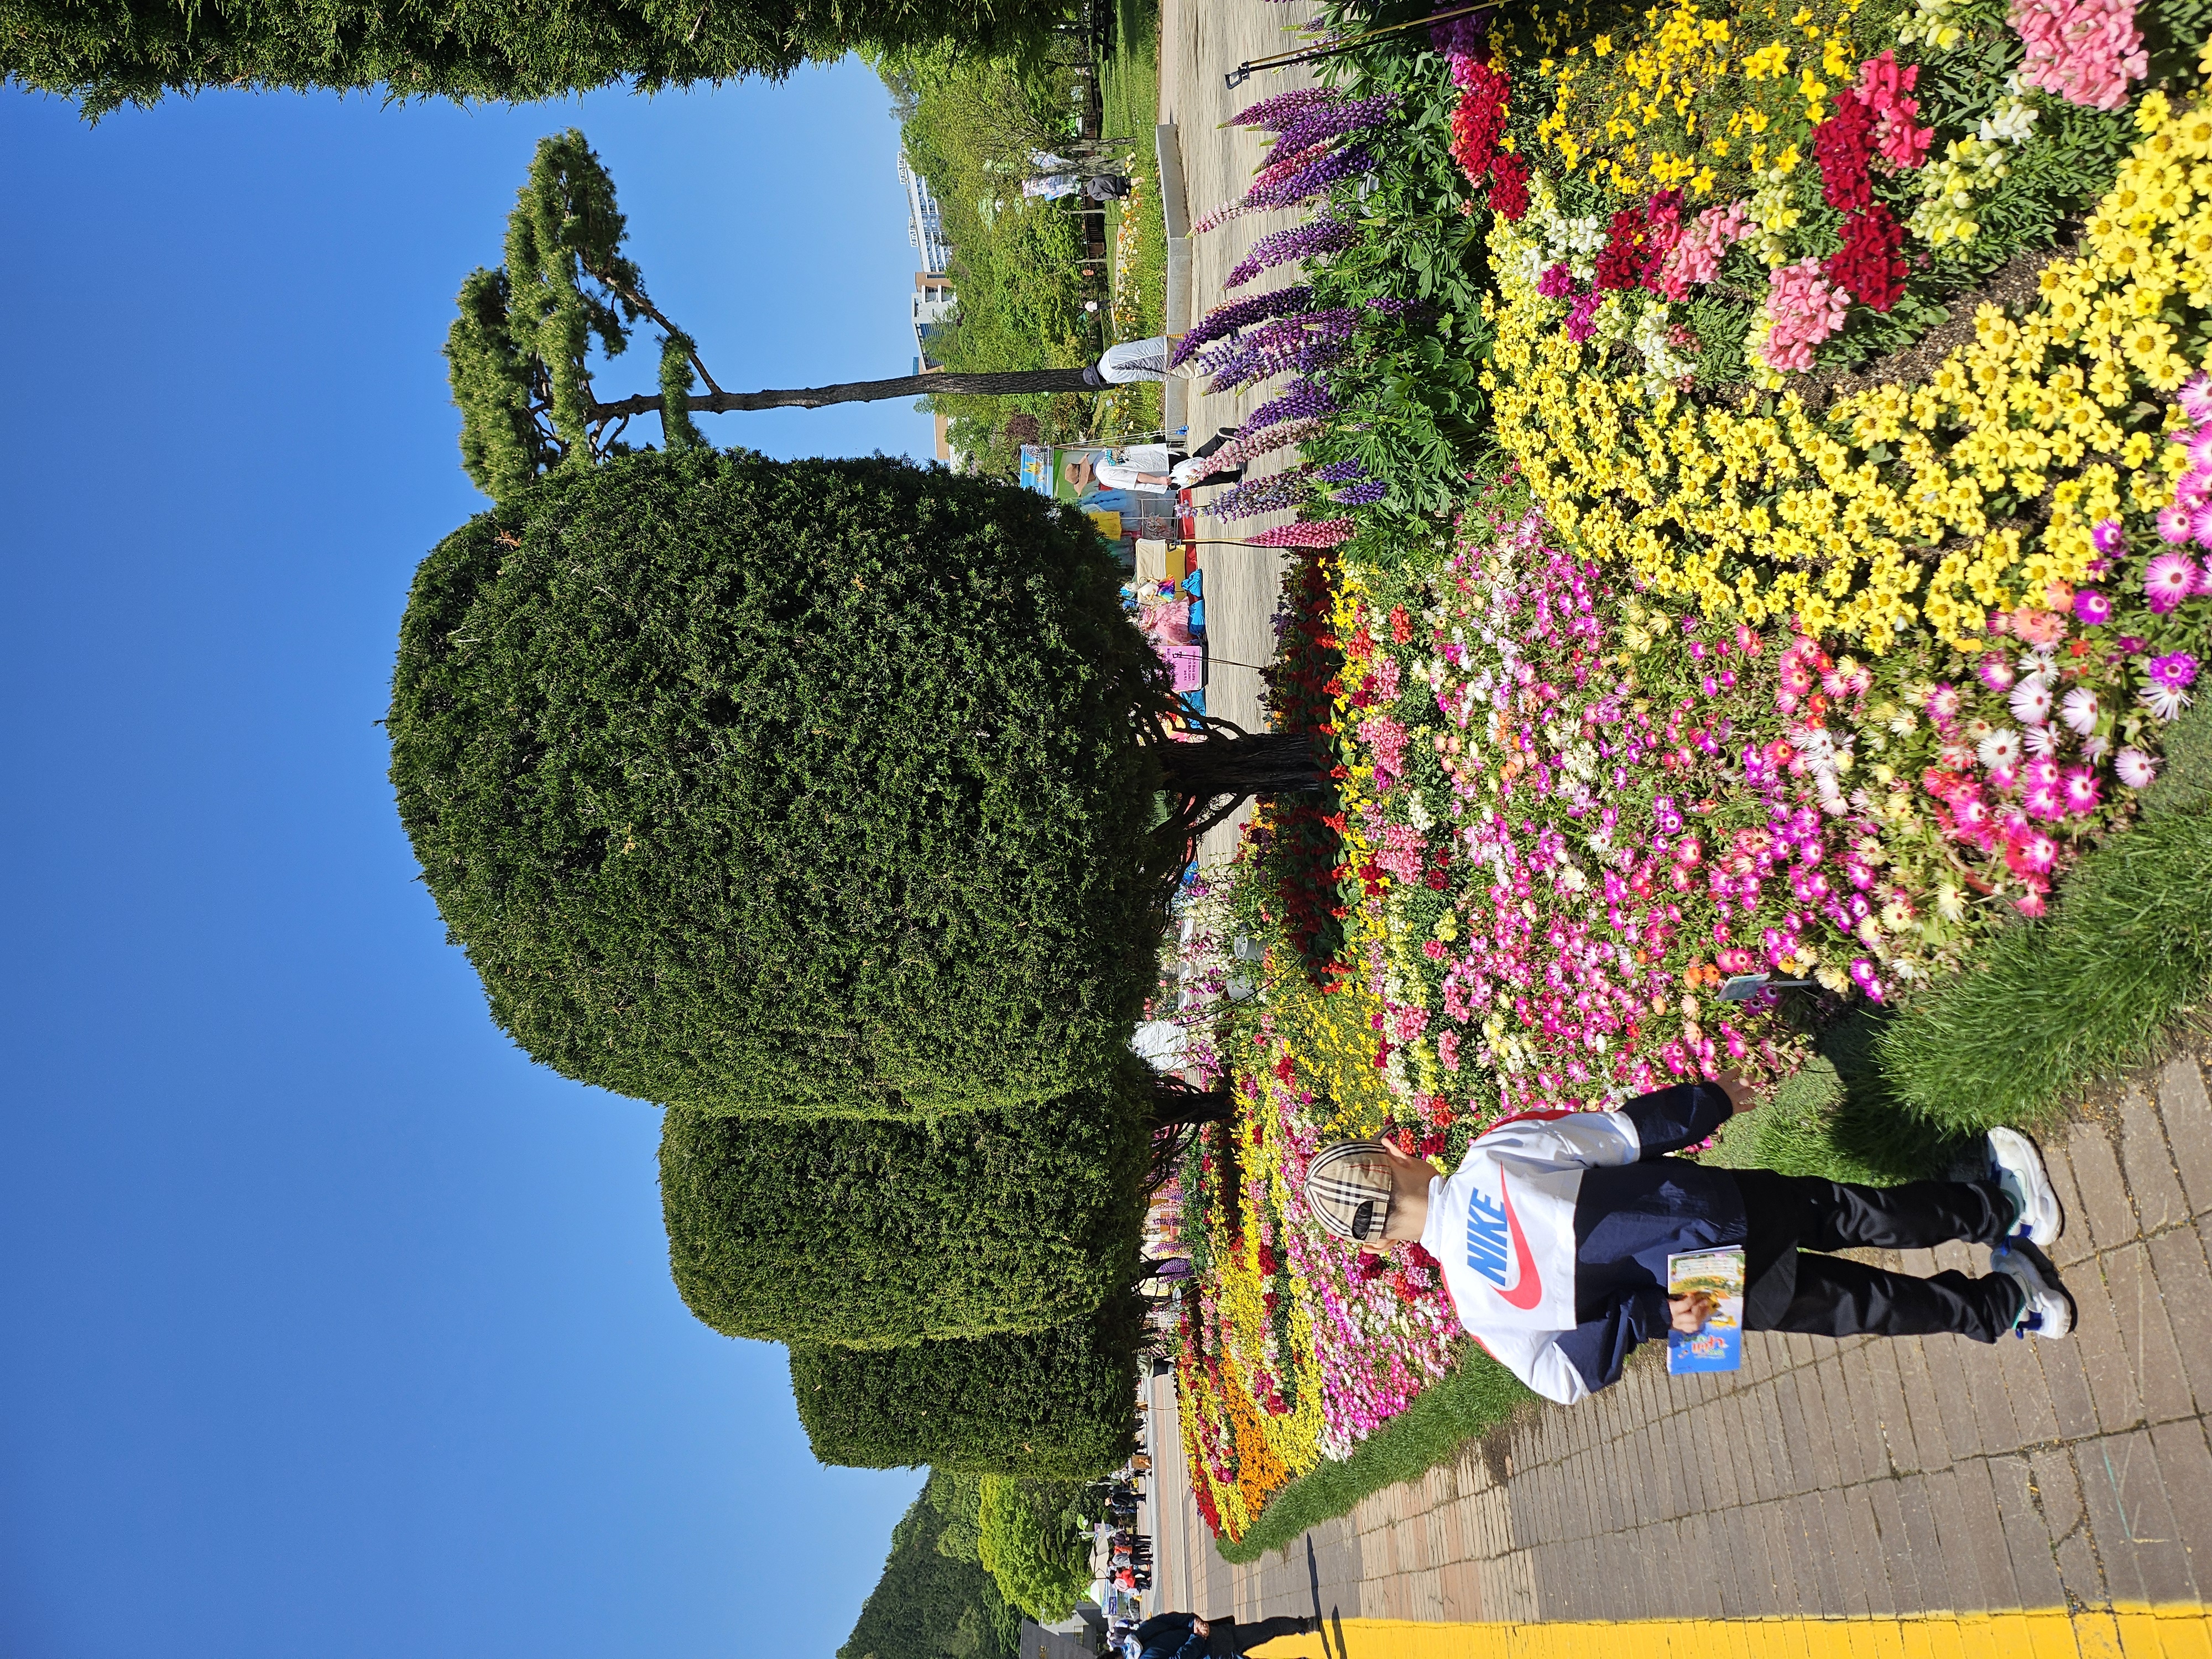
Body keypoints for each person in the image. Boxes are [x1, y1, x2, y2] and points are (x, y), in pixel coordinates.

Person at [1301, 1076, 2074, 1405]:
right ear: (1391, 1160)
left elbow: (1565, 1382)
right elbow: (1623, 1135)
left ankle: (2012, 1305)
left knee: (1853, 1307)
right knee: (1846, 1213)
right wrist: (1713, 1100)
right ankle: (2002, 1209)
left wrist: (1645, 1315)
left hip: (1688, 1305)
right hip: (1702, 1210)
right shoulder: (1490, 1158)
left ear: (1384, 1244)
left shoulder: (1476, 1307)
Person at [1133, 1611, 1314, 1659]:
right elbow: (1172, 1619)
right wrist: (1196, 1624)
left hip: (1211, 1654)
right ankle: (1304, 1624)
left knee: (1265, 1630)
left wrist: (1197, 1637)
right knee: (1266, 1629)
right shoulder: (1142, 1630)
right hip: (1216, 1634)